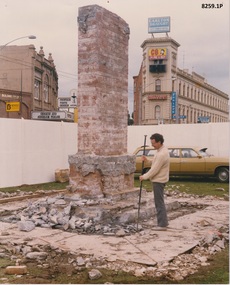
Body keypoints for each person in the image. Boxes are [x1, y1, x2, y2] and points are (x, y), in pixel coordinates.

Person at [139, 133, 170, 231]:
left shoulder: (162, 154)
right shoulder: (160, 150)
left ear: (159, 142)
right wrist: (147, 160)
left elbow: (154, 170)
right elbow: (155, 163)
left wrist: (144, 176)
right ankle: (163, 222)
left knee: (159, 202)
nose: (152, 146)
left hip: (159, 181)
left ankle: (162, 225)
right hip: (159, 179)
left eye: (154, 144)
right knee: (159, 202)